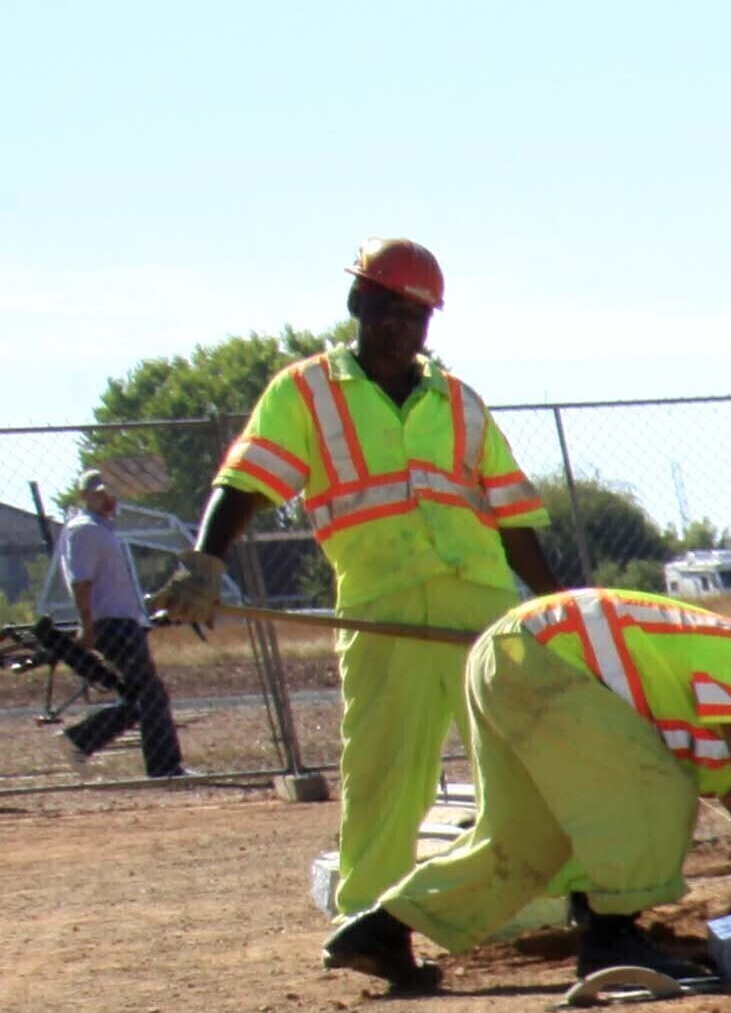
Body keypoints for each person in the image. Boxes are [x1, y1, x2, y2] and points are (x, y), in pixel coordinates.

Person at [168, 242, 564, 923]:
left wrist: (557, 604)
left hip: (482, 607)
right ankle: (368, 924)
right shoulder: (307, 392)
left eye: (416, 315)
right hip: (383, 606)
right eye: (387, 308)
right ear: (358, 304)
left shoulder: (461, 401)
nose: (400, 326)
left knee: (526, 762)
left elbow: (513, 516)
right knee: (386, 774)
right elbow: (247, 481)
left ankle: (558, 907)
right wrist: (206, 562)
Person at [321, 587, 731, 998]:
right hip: (541, 660)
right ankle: (611, 939)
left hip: (513, 659)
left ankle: (382, 930)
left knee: (526, 840)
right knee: (660, 791)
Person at [50, 479, 182, 778]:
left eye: (110, 494)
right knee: (150, 695)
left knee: (140, 698)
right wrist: (87, 626)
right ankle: (164, 767)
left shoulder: (103, 531)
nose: (107, 499)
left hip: (124, 622)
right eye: (99, 494)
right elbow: (81, 581)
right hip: (111, 624)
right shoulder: (85, 530)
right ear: (85, 496)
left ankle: (80, 740)